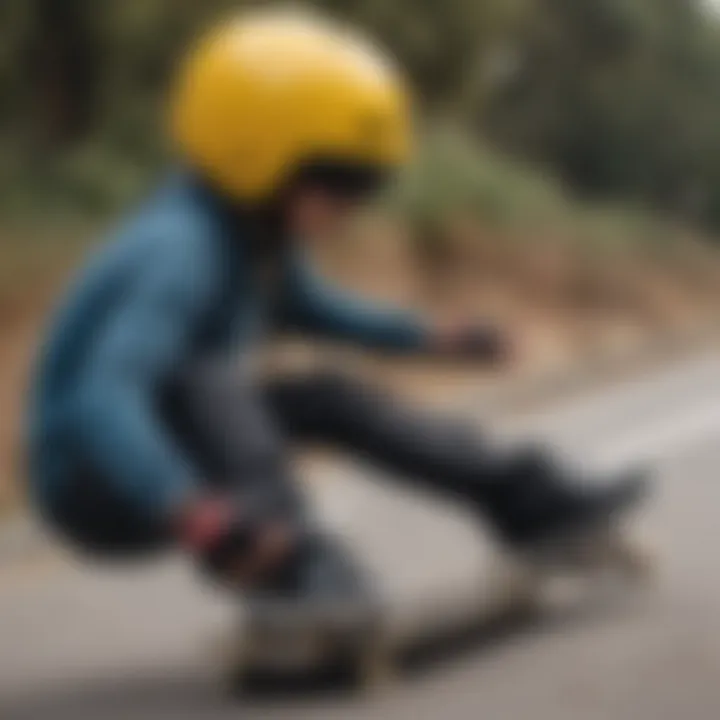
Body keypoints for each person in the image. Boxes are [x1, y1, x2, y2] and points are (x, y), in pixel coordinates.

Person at [27, 10, 645, 606]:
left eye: (369, 184)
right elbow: (101, 399)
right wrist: (195, 513)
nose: (355, 204)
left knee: (331, 399)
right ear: (254, 156)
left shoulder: (250, 234)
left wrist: (433, 338)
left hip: (167, 455)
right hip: (93, 485)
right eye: (341, 180)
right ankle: (290, 564)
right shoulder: (178, 249)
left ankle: (527, 502)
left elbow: (319, 310)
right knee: (212, 382)